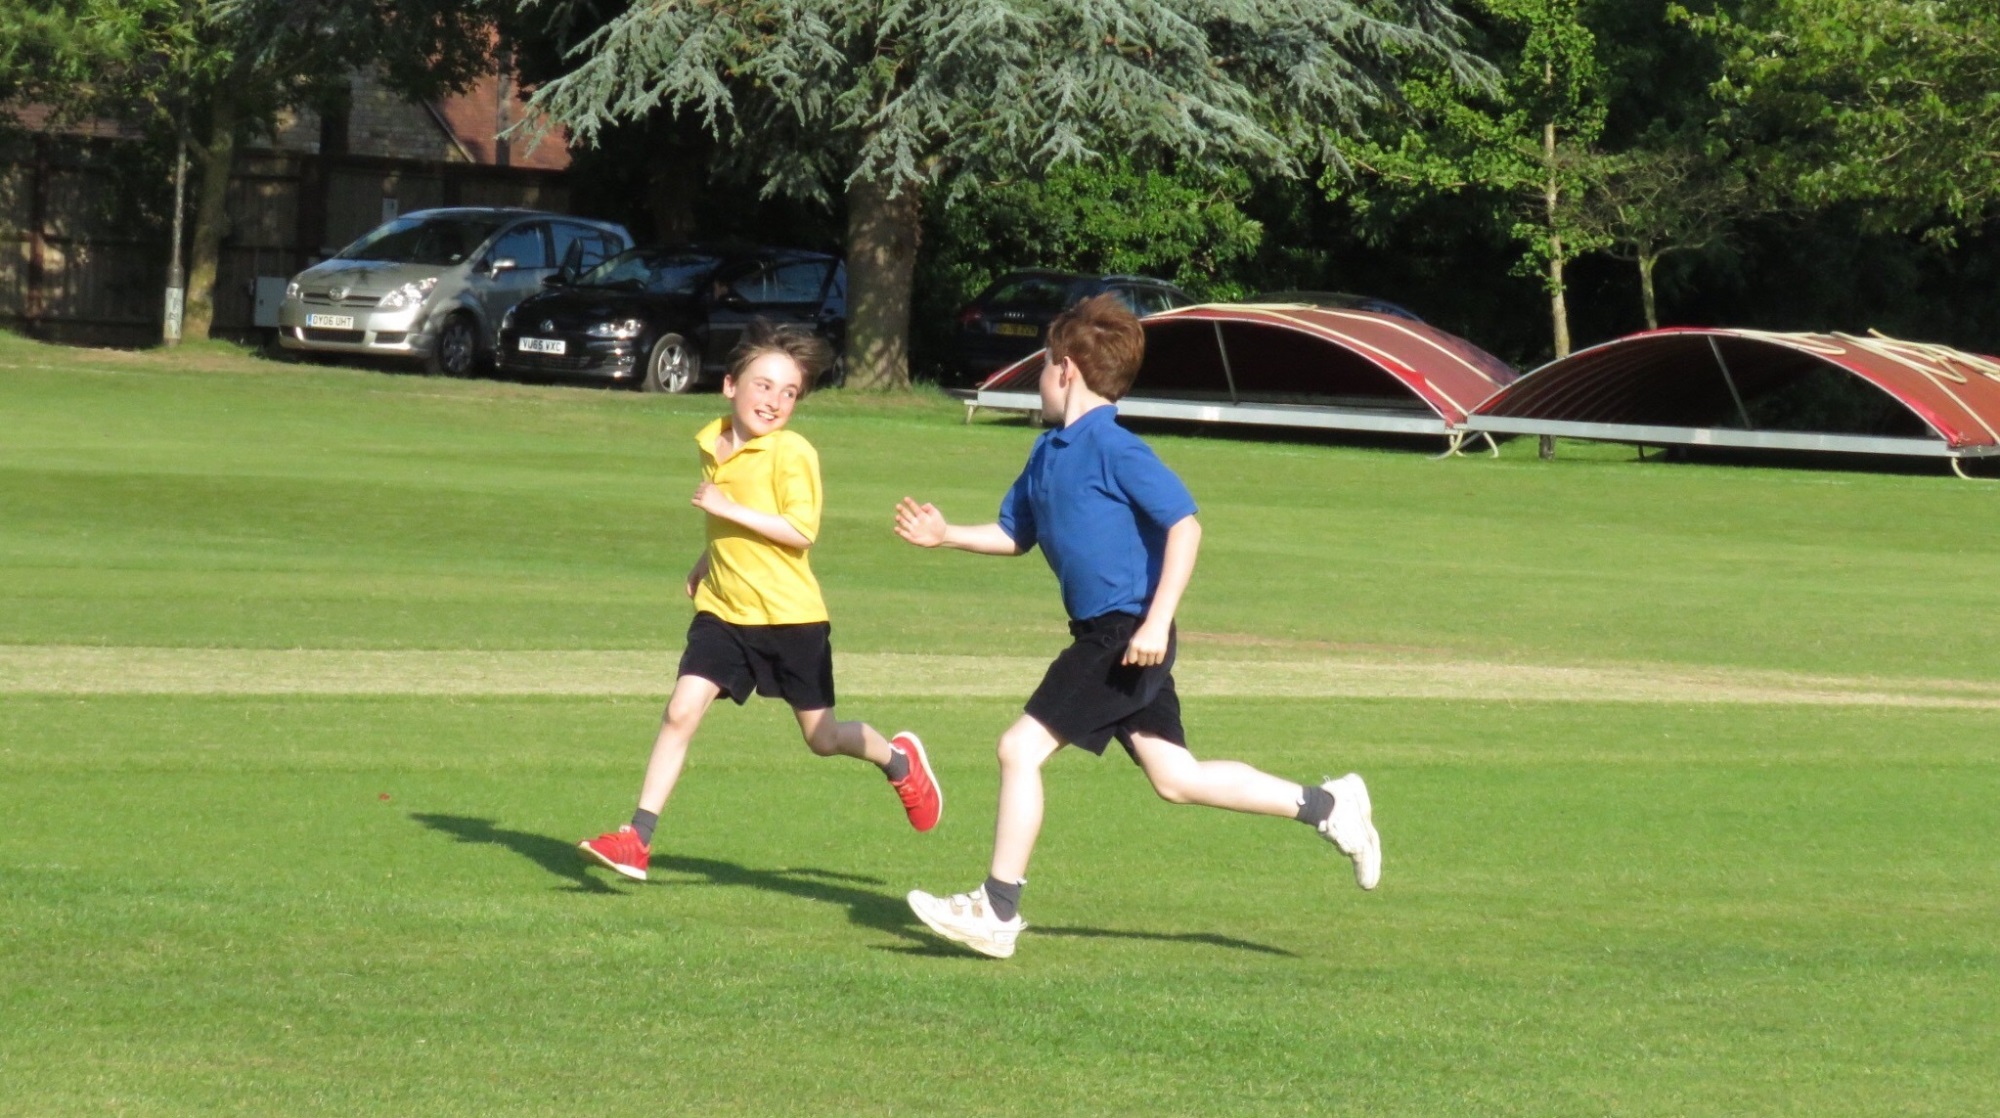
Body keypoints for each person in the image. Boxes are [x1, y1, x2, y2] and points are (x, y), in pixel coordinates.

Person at [892, 294, 1379, 959]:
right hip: (1108, 633)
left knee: (1019, 748)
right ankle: (1329, 807)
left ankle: (997, 909)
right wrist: (946, 534)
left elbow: (1186, 526)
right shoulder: (1046, 453)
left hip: (1123, 633)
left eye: (1041, 368)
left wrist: (1156, 622)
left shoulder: (1115, 446)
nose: (1038, 381)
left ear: (1065, 368)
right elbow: (1014, 534)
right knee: (1175, 776)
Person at [580, 323, 942, 882]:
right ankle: (637, 838)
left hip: (791, 619)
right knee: (681, 710)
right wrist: (709, 559)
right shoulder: (713, 441)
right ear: (730, 385)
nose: (774, 402)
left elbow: (801, 530)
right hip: (724, 611)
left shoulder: (792, 452)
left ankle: (898, 759)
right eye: (763, 386)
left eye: (789, 392)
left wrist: (727, 511)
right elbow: (731, 516)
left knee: (822, 738)